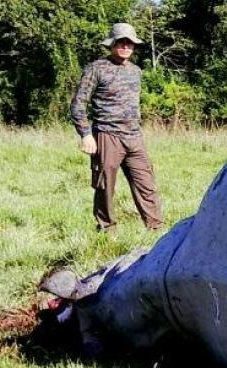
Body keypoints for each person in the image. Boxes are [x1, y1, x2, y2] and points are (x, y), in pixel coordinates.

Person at [70, 23, 163, 232]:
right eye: (121, 42)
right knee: (104, 187)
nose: (125, 46)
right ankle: (106, 230)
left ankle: (156, 231)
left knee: (146, 184)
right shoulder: (96, 69)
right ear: (112, 44)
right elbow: (77, 104)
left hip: (134, 137)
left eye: (129, 43)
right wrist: (86, 134)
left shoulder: (136, 71)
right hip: (107, 136)